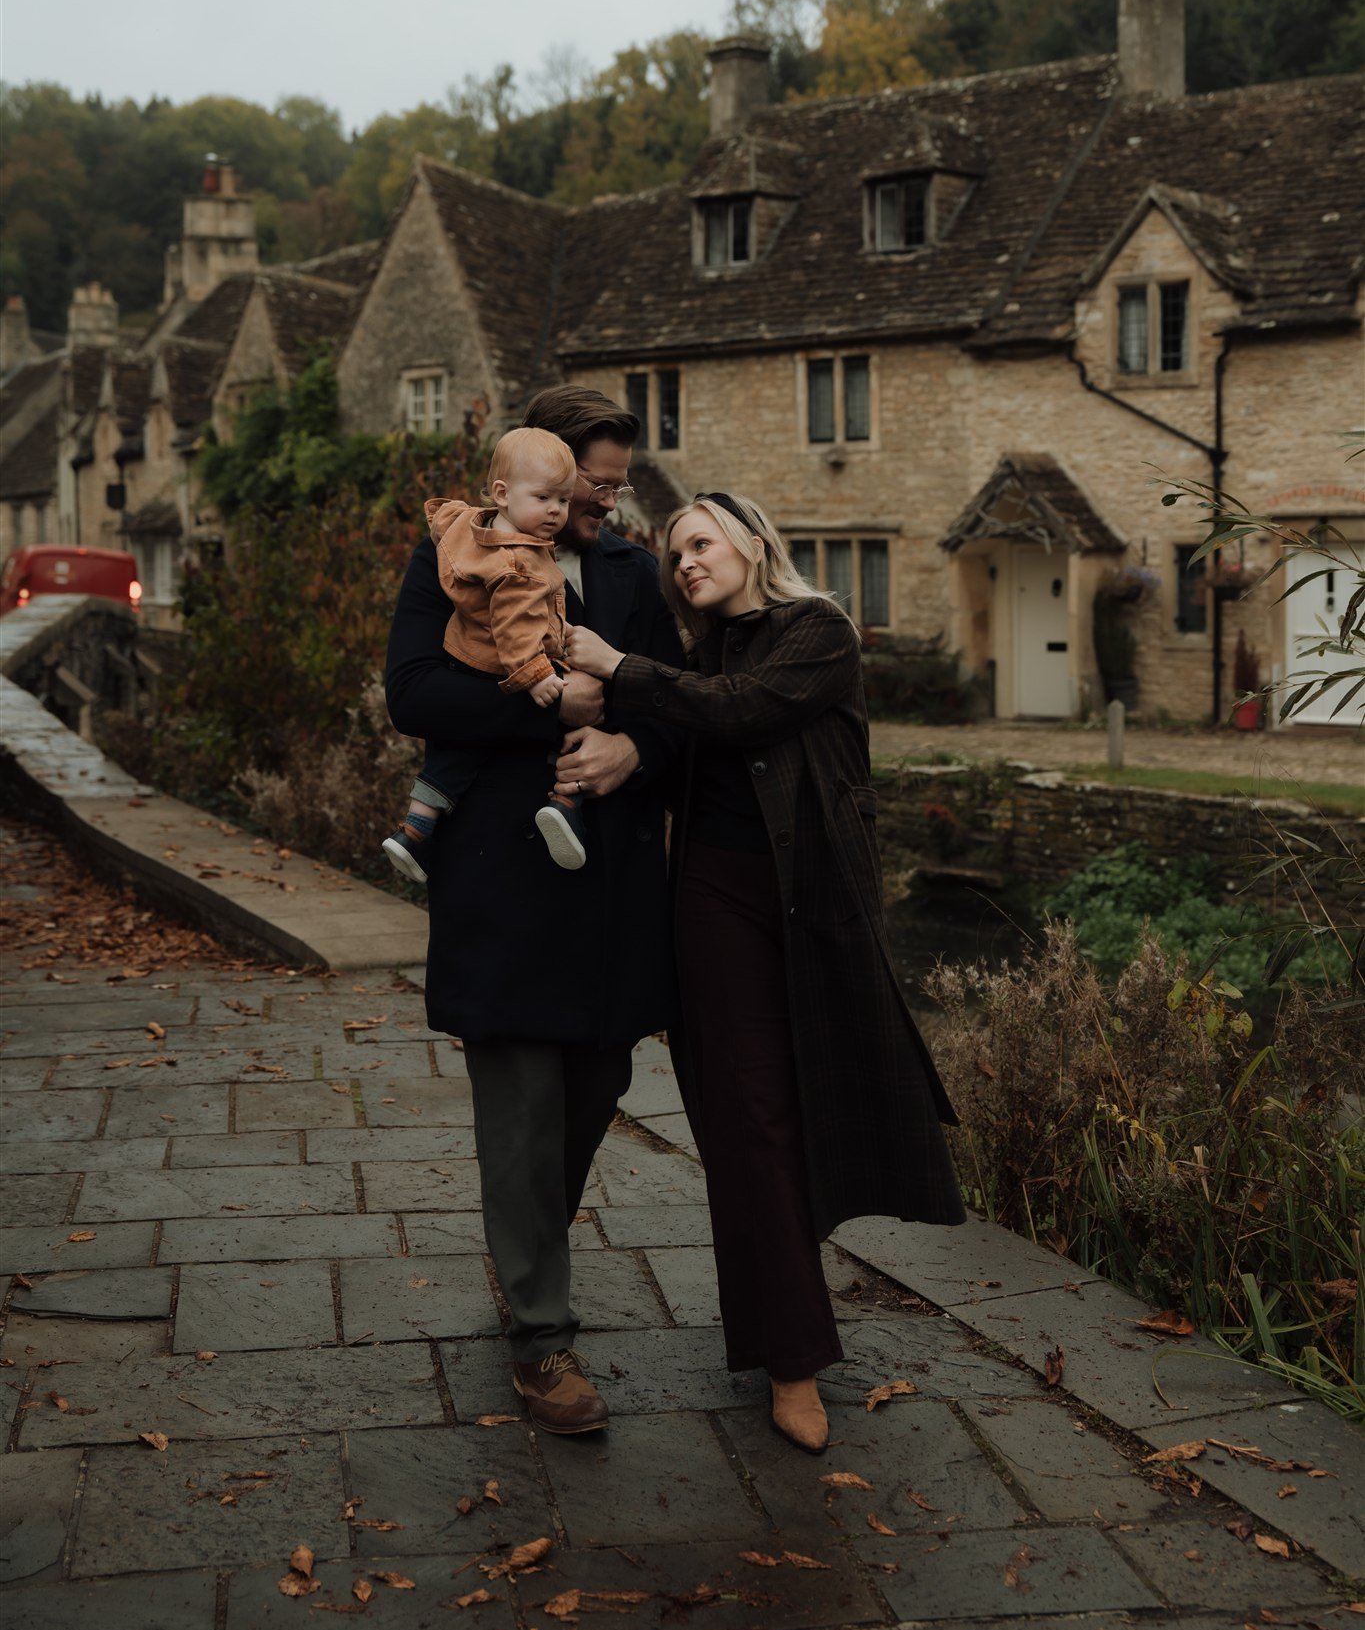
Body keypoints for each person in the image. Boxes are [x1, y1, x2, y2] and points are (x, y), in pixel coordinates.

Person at [565, 489, 965, 1453]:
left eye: (700, 543)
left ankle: (786, 1273)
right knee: (746, 1121)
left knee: (818, 1105)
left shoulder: (815, 631)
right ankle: (793, 1362)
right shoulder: (694, 661)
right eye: (674, 556)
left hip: (815, 906)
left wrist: (620, 670)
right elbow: (682, 739)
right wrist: (621, 746)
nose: (686, 564)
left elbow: (748, 714)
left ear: (751, 541)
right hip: (711, 901)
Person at [384, 387, 684, 1435]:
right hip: (502, 880)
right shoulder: (455, 555)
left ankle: (523, 1247)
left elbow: (680, 707)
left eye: (606, 484)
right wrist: (549, 700)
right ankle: (543, 1343)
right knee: (519, 1103)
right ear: (531, 477)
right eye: (580, 482)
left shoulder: (634, 575)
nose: (594, 500)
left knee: (596, 1080)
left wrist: (634, 747)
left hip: (608, 887)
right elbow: (413, 691)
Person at [381, 426, 592, 880]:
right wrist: (538, 674)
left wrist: (442, 514)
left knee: (456, 751)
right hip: (507, 666)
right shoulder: (520, 560)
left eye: (564, 500)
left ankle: (415, 828)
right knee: (572, 737)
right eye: (544, 498)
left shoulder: (470, 529)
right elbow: (518, 626)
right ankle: (565, 803)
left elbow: (447, 518)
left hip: (465, 657)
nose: (557, 511)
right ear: (502, 492)